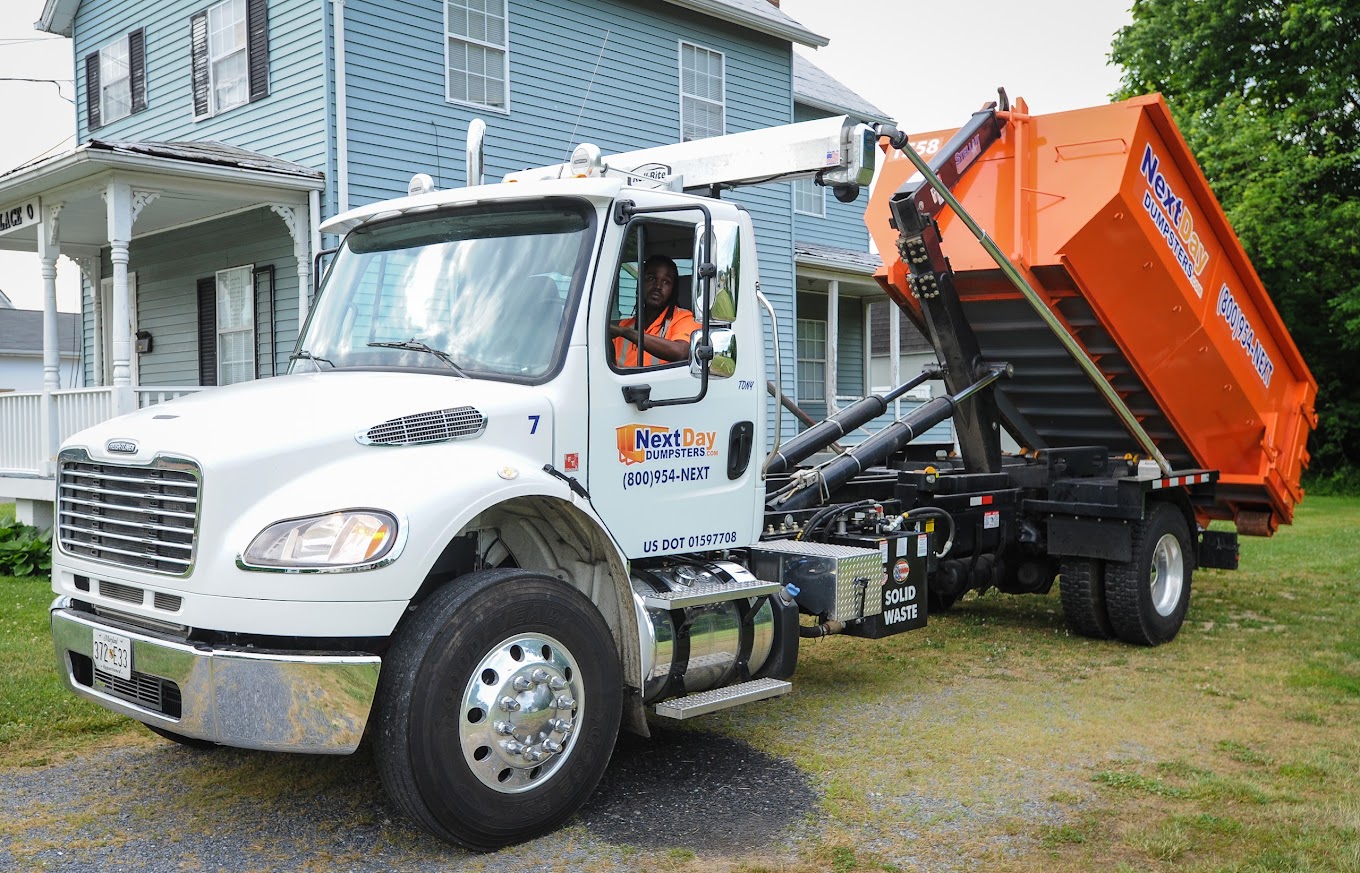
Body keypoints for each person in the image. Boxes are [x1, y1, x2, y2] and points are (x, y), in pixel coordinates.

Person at [609, 255, 701, 367]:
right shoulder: (625, 325)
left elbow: (681, 352)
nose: (658, 286)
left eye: (666, 282)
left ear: (673, 290)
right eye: (651, 278)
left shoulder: (685, 319)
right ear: (640, 284)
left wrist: (626, 333)